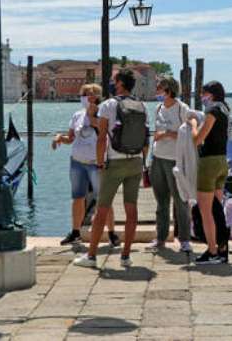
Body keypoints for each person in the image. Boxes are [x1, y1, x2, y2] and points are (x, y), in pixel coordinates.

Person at [74, 69, 149, 268]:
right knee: (131, 210)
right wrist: (143, 162)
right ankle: (125, 256)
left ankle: (90, 257)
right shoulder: (141, 106)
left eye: (113, 80)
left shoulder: (109, 104)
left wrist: (100, 163)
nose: (111, 82)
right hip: (135, 161)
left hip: (114, 162)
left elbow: (101, 137)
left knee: (101, 210)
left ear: (120, 84)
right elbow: (145, 139)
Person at [53, 84, 119, 247]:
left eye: (90, 95)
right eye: (83, 94)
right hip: (77, 163)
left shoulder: (104, 114)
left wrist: (93, 117)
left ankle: (111, 233)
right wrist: (60, 138)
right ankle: (75, 232)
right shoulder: (76, 115)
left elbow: (107, 133)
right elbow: (71, 138)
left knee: (104, 200)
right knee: (77, 198)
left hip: (97, 164)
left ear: (97, 97)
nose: (86, 97)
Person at [189, 80, 232, 264]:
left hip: (209, 163)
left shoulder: (212, 112)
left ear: (211, 95)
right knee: (217, 210)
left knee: (206, 212)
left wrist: (192, 123)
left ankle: (212, 251)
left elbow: (197, 140)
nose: (201, 97)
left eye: (203, 94)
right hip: (223, 161)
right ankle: (222, 248)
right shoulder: (225, 111)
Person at [150, 77, 192, 252]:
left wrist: (168, 133)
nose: (157, 90)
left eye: (160, 87)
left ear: (169, 89)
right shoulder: (158, 108)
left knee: (181, 201)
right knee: (161, 201)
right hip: (157, 158)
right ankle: (161, 238)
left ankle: (184, 239)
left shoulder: (182, 108)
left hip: (176, 160)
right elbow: (155, 132)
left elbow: (189, 133)